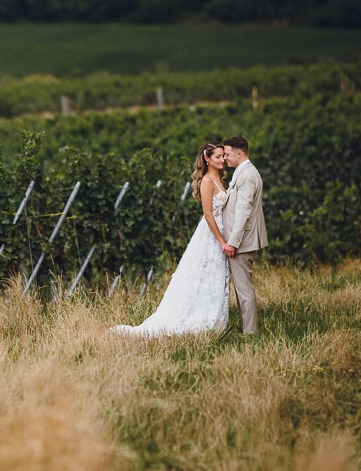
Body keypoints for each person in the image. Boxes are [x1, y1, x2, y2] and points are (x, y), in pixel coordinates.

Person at [110, 141, 230, 336]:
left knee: (214, 275)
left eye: (223, 156)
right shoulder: (207, 181)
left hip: (221, 230)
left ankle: (213, 315)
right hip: (211, 235)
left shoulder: (219, 179)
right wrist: (221, 241)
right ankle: (198, 317)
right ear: (207, 159)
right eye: (218, 156)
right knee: (204, 273)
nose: (222, 159)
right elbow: (208, 214)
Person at [221, 136, 267, 334]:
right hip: (242, 240)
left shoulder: (247, 175)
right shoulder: (243, 172)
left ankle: (250, 332)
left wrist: (233, 242)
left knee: (244, 288)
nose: (224, 158)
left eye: (227, 154)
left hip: (242, 241)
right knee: (242, 287)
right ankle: (247, 328)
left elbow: (243, 211)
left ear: (239, 154)